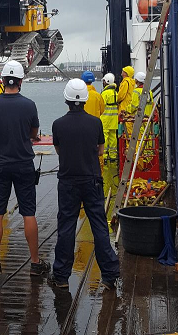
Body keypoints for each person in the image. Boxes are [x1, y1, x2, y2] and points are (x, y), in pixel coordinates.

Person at [49, 78, 120, 290]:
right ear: (86, 99)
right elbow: (100, 150)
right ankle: (109, 275)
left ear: (67, 99)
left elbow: (59, 150)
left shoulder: (58, 124)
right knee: (99, 226)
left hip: (68, 182)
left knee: (67, 227)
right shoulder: (95, 123)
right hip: (92, 181)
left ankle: (61, 276)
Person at [0, 59, 50, 276]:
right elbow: (33, 134)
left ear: (2, 80)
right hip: (23, 165)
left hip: (0, 164)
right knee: (28, 213)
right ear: (21, 81)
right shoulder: (29, 105)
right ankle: (34, 262)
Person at [100, 73, 118, 161]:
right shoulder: (115, 93)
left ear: (106, 82)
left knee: (105, 137)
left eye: (104, 81)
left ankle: (104, 155)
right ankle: (113, 156)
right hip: (114, 120)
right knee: (113, 137)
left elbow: (101, 105)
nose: (103, 82)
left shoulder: (105, 93)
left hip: (105, 119)